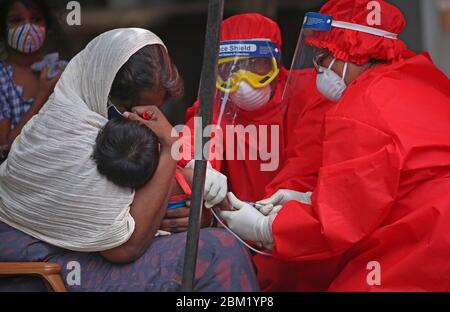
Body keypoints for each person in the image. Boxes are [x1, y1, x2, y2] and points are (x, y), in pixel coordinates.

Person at [0, 28, 259, 292]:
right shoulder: (66, 135)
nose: (142, 124)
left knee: (213, 241)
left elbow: (156, 193)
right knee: (218, 252)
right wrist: (170, 147)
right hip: (39, 269)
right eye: (132, 112)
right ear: (103, 90)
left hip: (79, 254)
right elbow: (125, 248)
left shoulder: (98, 116)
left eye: (153, 113)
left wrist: (202, 216)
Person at [220, 0, 450, 291]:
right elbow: (394, 179)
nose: (318, 66)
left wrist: (266, 228)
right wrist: (308, 199)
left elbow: (339, 221)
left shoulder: (362, 108)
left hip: (427, 236)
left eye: (323, 55)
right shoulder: (418, 75)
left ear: (353, 53)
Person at [0, 0, 65, 158]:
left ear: (47, 27)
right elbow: (6, 147)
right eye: (16, 20)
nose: (28, 28)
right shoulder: (2, 79)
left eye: (36, 20)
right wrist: (43, 95)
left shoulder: (64, 70)